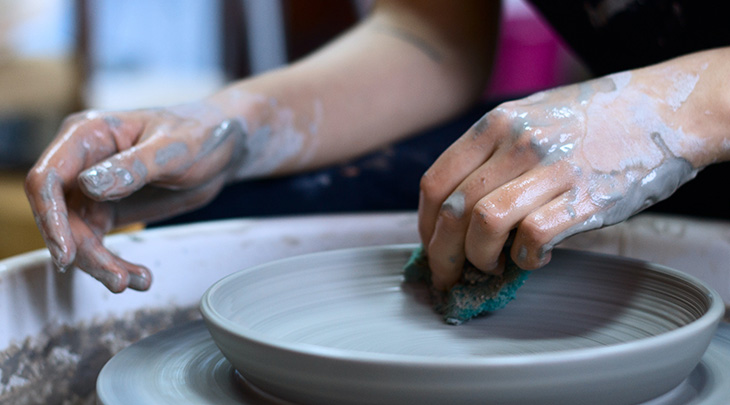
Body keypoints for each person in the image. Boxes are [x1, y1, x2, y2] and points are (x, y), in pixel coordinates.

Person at [24, 0, 730, 293]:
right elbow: (432, 31)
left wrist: (673, 112)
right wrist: (234, 127)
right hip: (629, 124)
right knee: (231, 215)